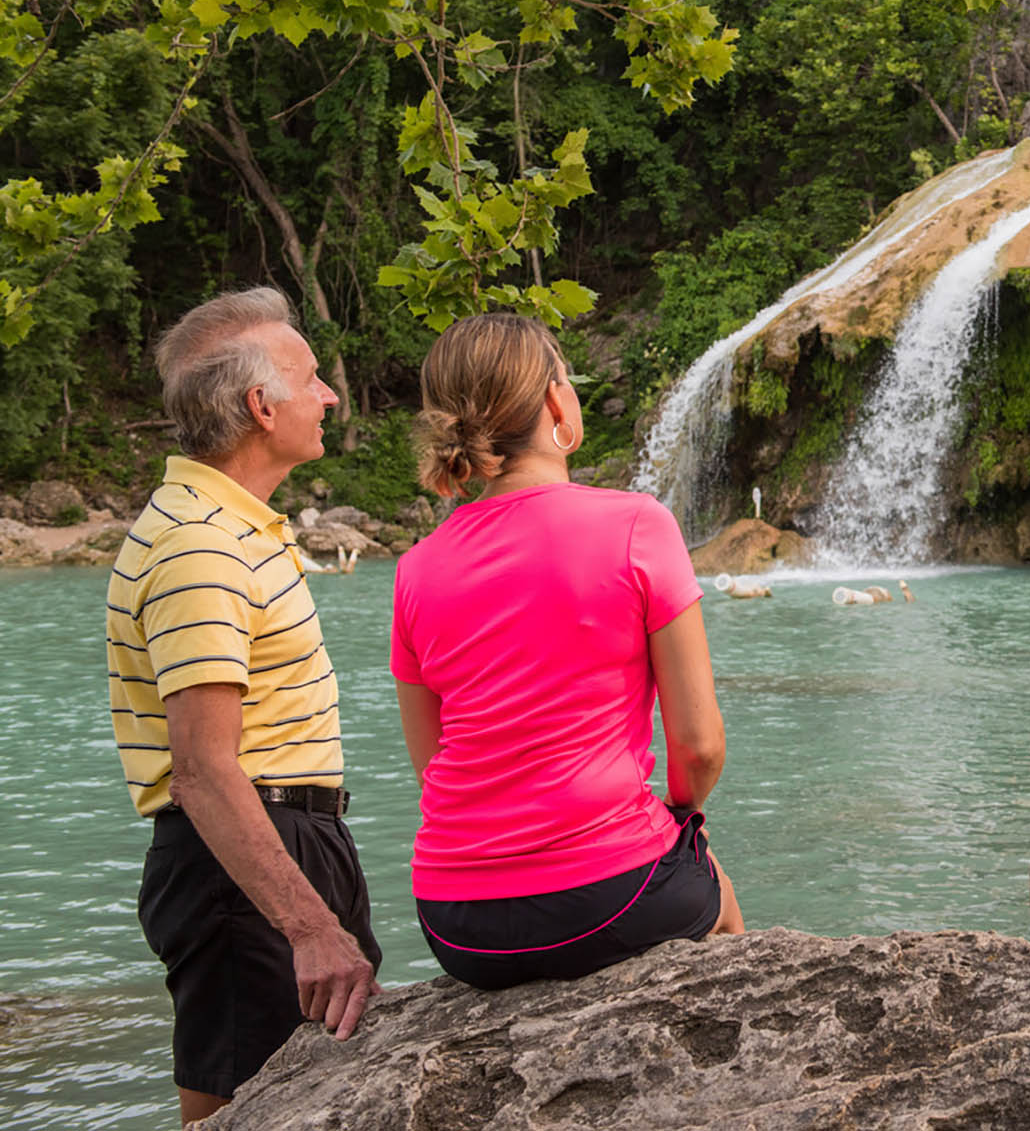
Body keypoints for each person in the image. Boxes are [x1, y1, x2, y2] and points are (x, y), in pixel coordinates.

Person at [392, 314, 744, 991]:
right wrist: (676, 820)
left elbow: (432, 765)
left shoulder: (414, 569)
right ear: (558, 403)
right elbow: (699, 747)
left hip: (455, 921)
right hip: (605, 894)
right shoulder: (638, 524)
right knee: (719, 904)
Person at [107, 288, 380, 1126]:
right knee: (233, 1110)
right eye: (309, 379)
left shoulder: (228, 526)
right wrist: (307, 925)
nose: (329, 394)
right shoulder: (199, 544)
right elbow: (202, 770)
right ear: (262, 406)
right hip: (247, 859)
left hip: (282, 840)